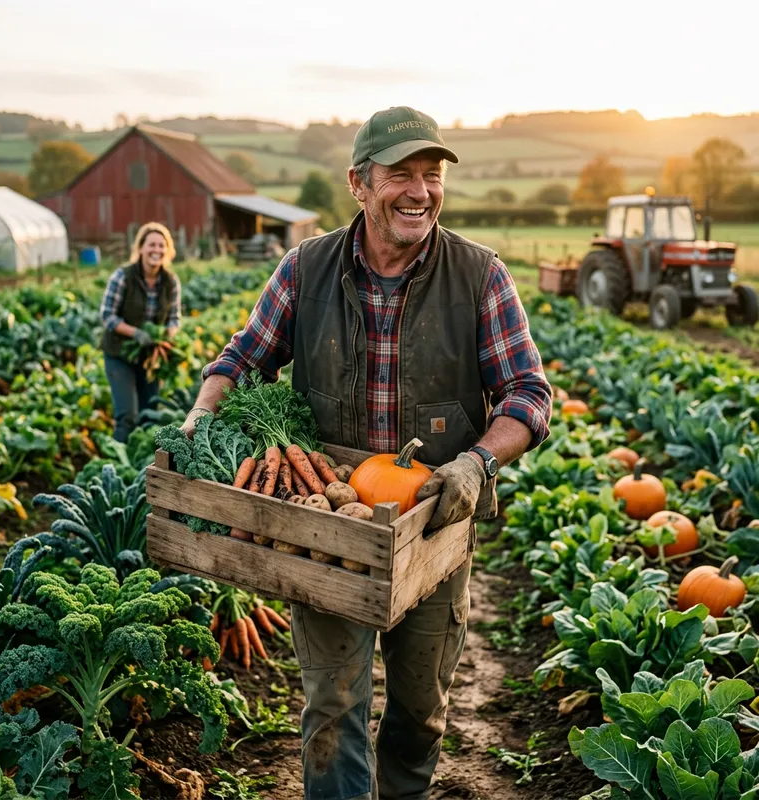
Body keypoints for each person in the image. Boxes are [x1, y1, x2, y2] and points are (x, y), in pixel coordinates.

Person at [182, 106, 552, 800]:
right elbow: (243, 357)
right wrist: (205, 408)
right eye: (401, 175)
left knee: (420, 710)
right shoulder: (306, 269)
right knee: (332, 708)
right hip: (330, 531)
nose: (420, 192)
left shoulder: (480, 276)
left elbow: (528, 394)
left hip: (433, 528)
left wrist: (477, 461)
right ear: (359, 183)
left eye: (432, 175)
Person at [100, 222, 181, 443]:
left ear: (167, 250)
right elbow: (107, 316)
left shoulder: (170, 282)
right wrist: (135, 333)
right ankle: (117, 461)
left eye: (161, 245)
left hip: (150, 358)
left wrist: (166, 335)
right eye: (151, 244)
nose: (157, 250)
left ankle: (144, 465)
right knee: (127, 415)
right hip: (120, 354)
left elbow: (175, 317)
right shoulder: (122, 277)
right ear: (141, 248)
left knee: (150, 413)